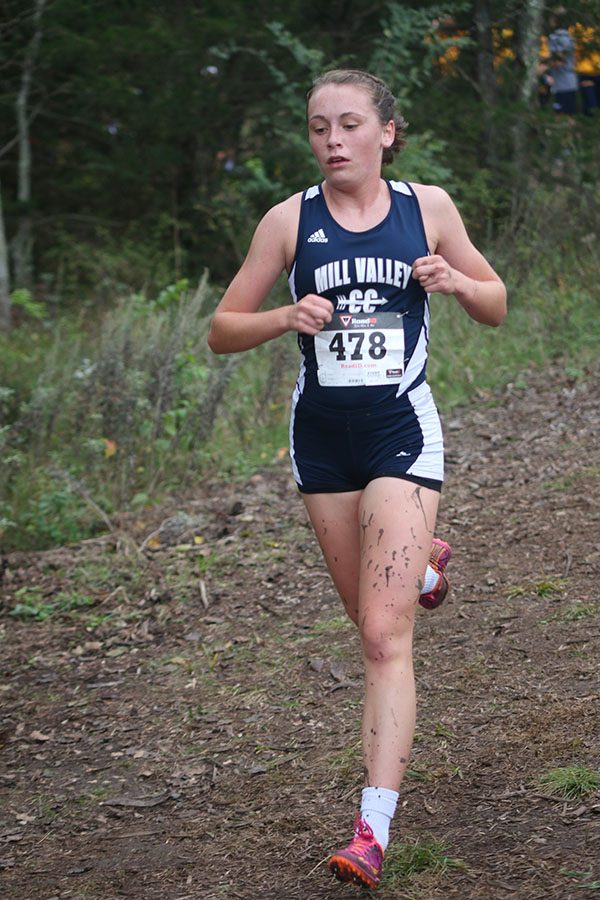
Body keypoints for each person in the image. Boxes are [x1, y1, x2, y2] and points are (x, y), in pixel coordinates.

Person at [208, 68, 507, 890]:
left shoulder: (428, 208)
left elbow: (497, 302)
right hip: (321, 446)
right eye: (317, 127)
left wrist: (455, 281)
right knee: (369, 611)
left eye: (347, 124)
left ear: (387, 132)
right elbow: (221, 329)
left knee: (383, 635)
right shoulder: (288, 221)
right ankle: (426, 565)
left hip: (400, 434)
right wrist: (283, 316)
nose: (332, 140)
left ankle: (371, 830)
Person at [547, 8, 579, 116]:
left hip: (561, 84)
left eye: (551, 18)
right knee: (570, 115)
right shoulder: (570, 37)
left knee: (559, 116)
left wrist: (543, 67)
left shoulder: (556, 38)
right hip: (570, 82)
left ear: (556, 20)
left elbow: (558, 61)